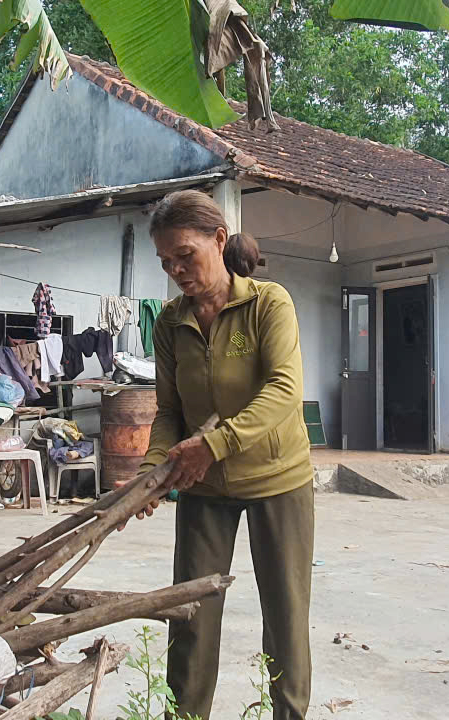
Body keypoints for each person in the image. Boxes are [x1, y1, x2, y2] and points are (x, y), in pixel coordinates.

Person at [134, 189, 314, 720]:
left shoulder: (268, 303)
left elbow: (284, 390)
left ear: (218, 239)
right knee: (189, 616)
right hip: (202, 488)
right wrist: (151, 472)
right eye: (166, 262)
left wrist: (213, 444)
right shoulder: (170, 322)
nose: (176, 270)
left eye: (185, 255)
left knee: (285, 616)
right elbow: (169, 411)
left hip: (277, 481)